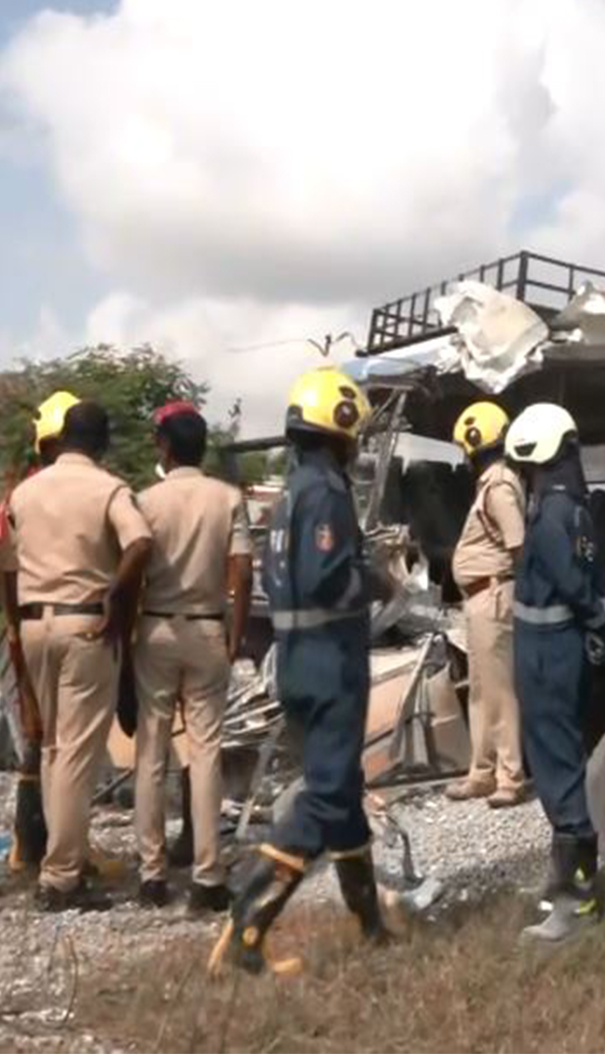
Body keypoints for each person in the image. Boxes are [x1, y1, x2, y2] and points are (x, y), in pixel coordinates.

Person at [210, 367, 392, 974]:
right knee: (327, 794)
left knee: (342, 797)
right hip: (328, 661)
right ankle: (249, 920)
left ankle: (370, 927)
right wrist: (375, 577)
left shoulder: (291, 493)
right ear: (339, 427)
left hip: (294, 657)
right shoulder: (326, 492)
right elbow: (326, 578)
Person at [3, 400, 152, 910]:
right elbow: (141, 542)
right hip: (86, 624)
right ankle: (62, 877)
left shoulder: (24, 493)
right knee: (77, 754)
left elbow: (9, 563)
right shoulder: (107, 488)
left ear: (62, 437)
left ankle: (62, 856)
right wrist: (115, 593)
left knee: (51, 750)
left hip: (33, 623)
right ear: (103, 442)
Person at [504, 402, 605, 943]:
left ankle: (576, 901)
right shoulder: (575, 510)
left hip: (547, 652)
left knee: (557, 769)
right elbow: (592, 579)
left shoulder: (550, 514)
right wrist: (603, 620)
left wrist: (598, 618)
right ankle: (568, 882)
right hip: (560, 648)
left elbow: (572, 584)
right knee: (559, 760)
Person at [132, 402, 253, 912]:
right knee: (206, 753)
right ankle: (208, 875)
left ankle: (152, 873)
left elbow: (131, 568)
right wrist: (236, 633)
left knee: (151, 753)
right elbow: (242, 571)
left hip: (155, 626)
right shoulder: (227, 498)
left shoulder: (145, 501)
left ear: (165, 446)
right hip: (208, 629)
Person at [1, 389, 80, 872]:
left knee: (43, 738)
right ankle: (39, 849)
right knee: (41, 737)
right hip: (19, 632)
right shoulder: (29, 500)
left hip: (25, 629)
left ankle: (39, 846)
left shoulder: (24, 496)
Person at [445, 401, 527, 809]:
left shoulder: (498, 486)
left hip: (493, 596)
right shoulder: (491, 485)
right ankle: (482, 772)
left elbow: (518, 544)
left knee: (500, 691)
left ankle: (509, 778)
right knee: (481, 691)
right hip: (481, 597)